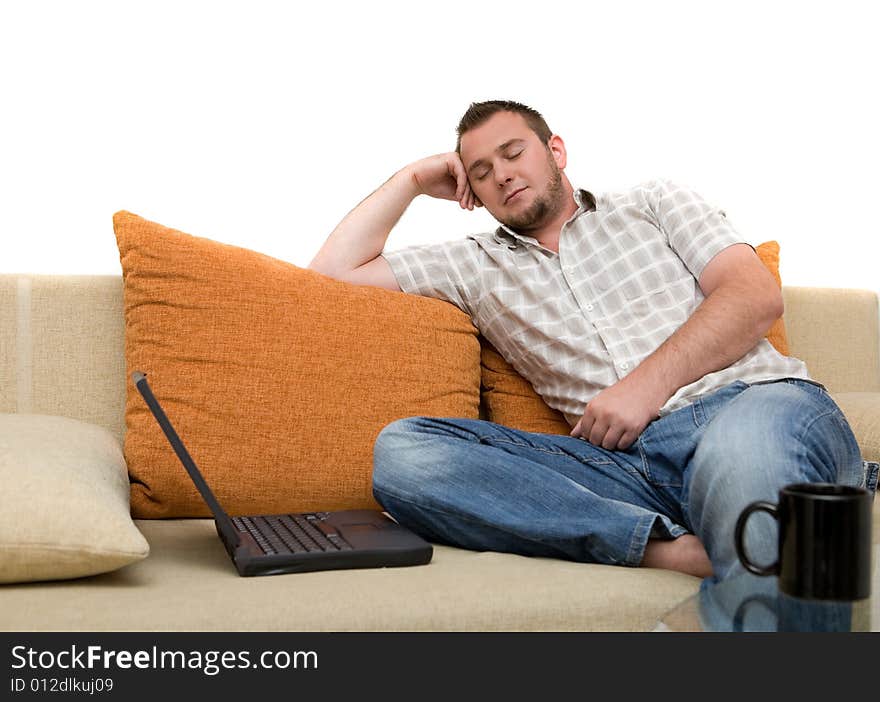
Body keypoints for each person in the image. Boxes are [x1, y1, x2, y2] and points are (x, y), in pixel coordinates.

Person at [308, 99, 874, 580]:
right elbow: (330, 274)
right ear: (470, 194)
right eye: (480, 171)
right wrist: (411, 179)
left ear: (555, 151)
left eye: (513, 152)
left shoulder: (653, 204)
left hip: (749, 407)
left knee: (747, 460)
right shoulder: (471, 266)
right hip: (628, 473)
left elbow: (753, 296)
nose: (502, 174)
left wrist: (642, 389)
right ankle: (671, 548)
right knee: (404, 452)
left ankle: (763, 555)